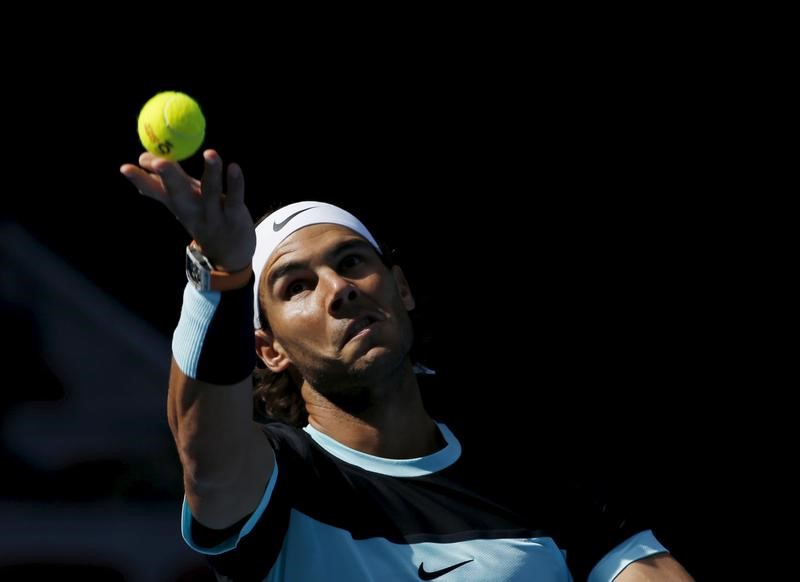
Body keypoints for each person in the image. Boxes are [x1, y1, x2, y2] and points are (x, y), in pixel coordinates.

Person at [120, 149, 694, 581]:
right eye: (296, 285)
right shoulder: (277, 480)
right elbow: (206, 458)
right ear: (270, 350)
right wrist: (221, 273)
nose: (338, 289)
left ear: (399, 287)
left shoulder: (534, 476)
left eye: (351, 261)